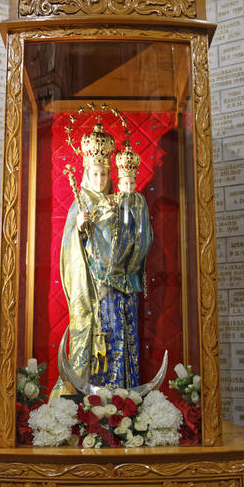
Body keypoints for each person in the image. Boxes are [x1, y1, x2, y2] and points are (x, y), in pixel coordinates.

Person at [51, 122, 152, 396]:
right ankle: (96, 397)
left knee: (123, 335)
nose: (100, 180)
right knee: (102, 340)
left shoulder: (122, 201)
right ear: (86, 173)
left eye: (105, 174)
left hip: (121, 284)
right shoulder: (79, 204)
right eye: (95, 174)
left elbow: (136, 237)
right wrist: (81, 227)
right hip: (95, 289)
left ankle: (123, 396)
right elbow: (70, 249)